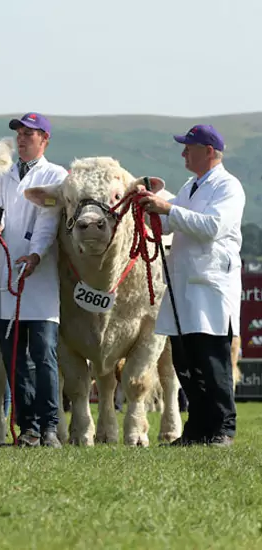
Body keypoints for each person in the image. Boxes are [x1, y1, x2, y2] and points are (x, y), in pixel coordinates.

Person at [138, 124, 245, 447]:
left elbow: (212, 226)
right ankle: (197, 429)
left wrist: (168, 208)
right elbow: (171, 224)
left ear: (208, 151)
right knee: (185, 362)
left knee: (213, 362)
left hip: (210, 285)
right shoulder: (191, 186)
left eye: (189, 147)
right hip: (184, 283)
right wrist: (148, 209)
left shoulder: (228, 186)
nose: (184, 153)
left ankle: (223, 429)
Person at [0, 112, 67, 448]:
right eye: (18, 133)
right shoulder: (2, 175)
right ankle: (27, 427)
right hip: (6, 276)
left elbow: (48, 219)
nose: (21, 139)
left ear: (44, 139)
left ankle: (49, 426)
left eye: (29, 134)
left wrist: (36, 255)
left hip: (39, 277)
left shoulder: (56, 175)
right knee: (14, 359)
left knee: (44, 355)